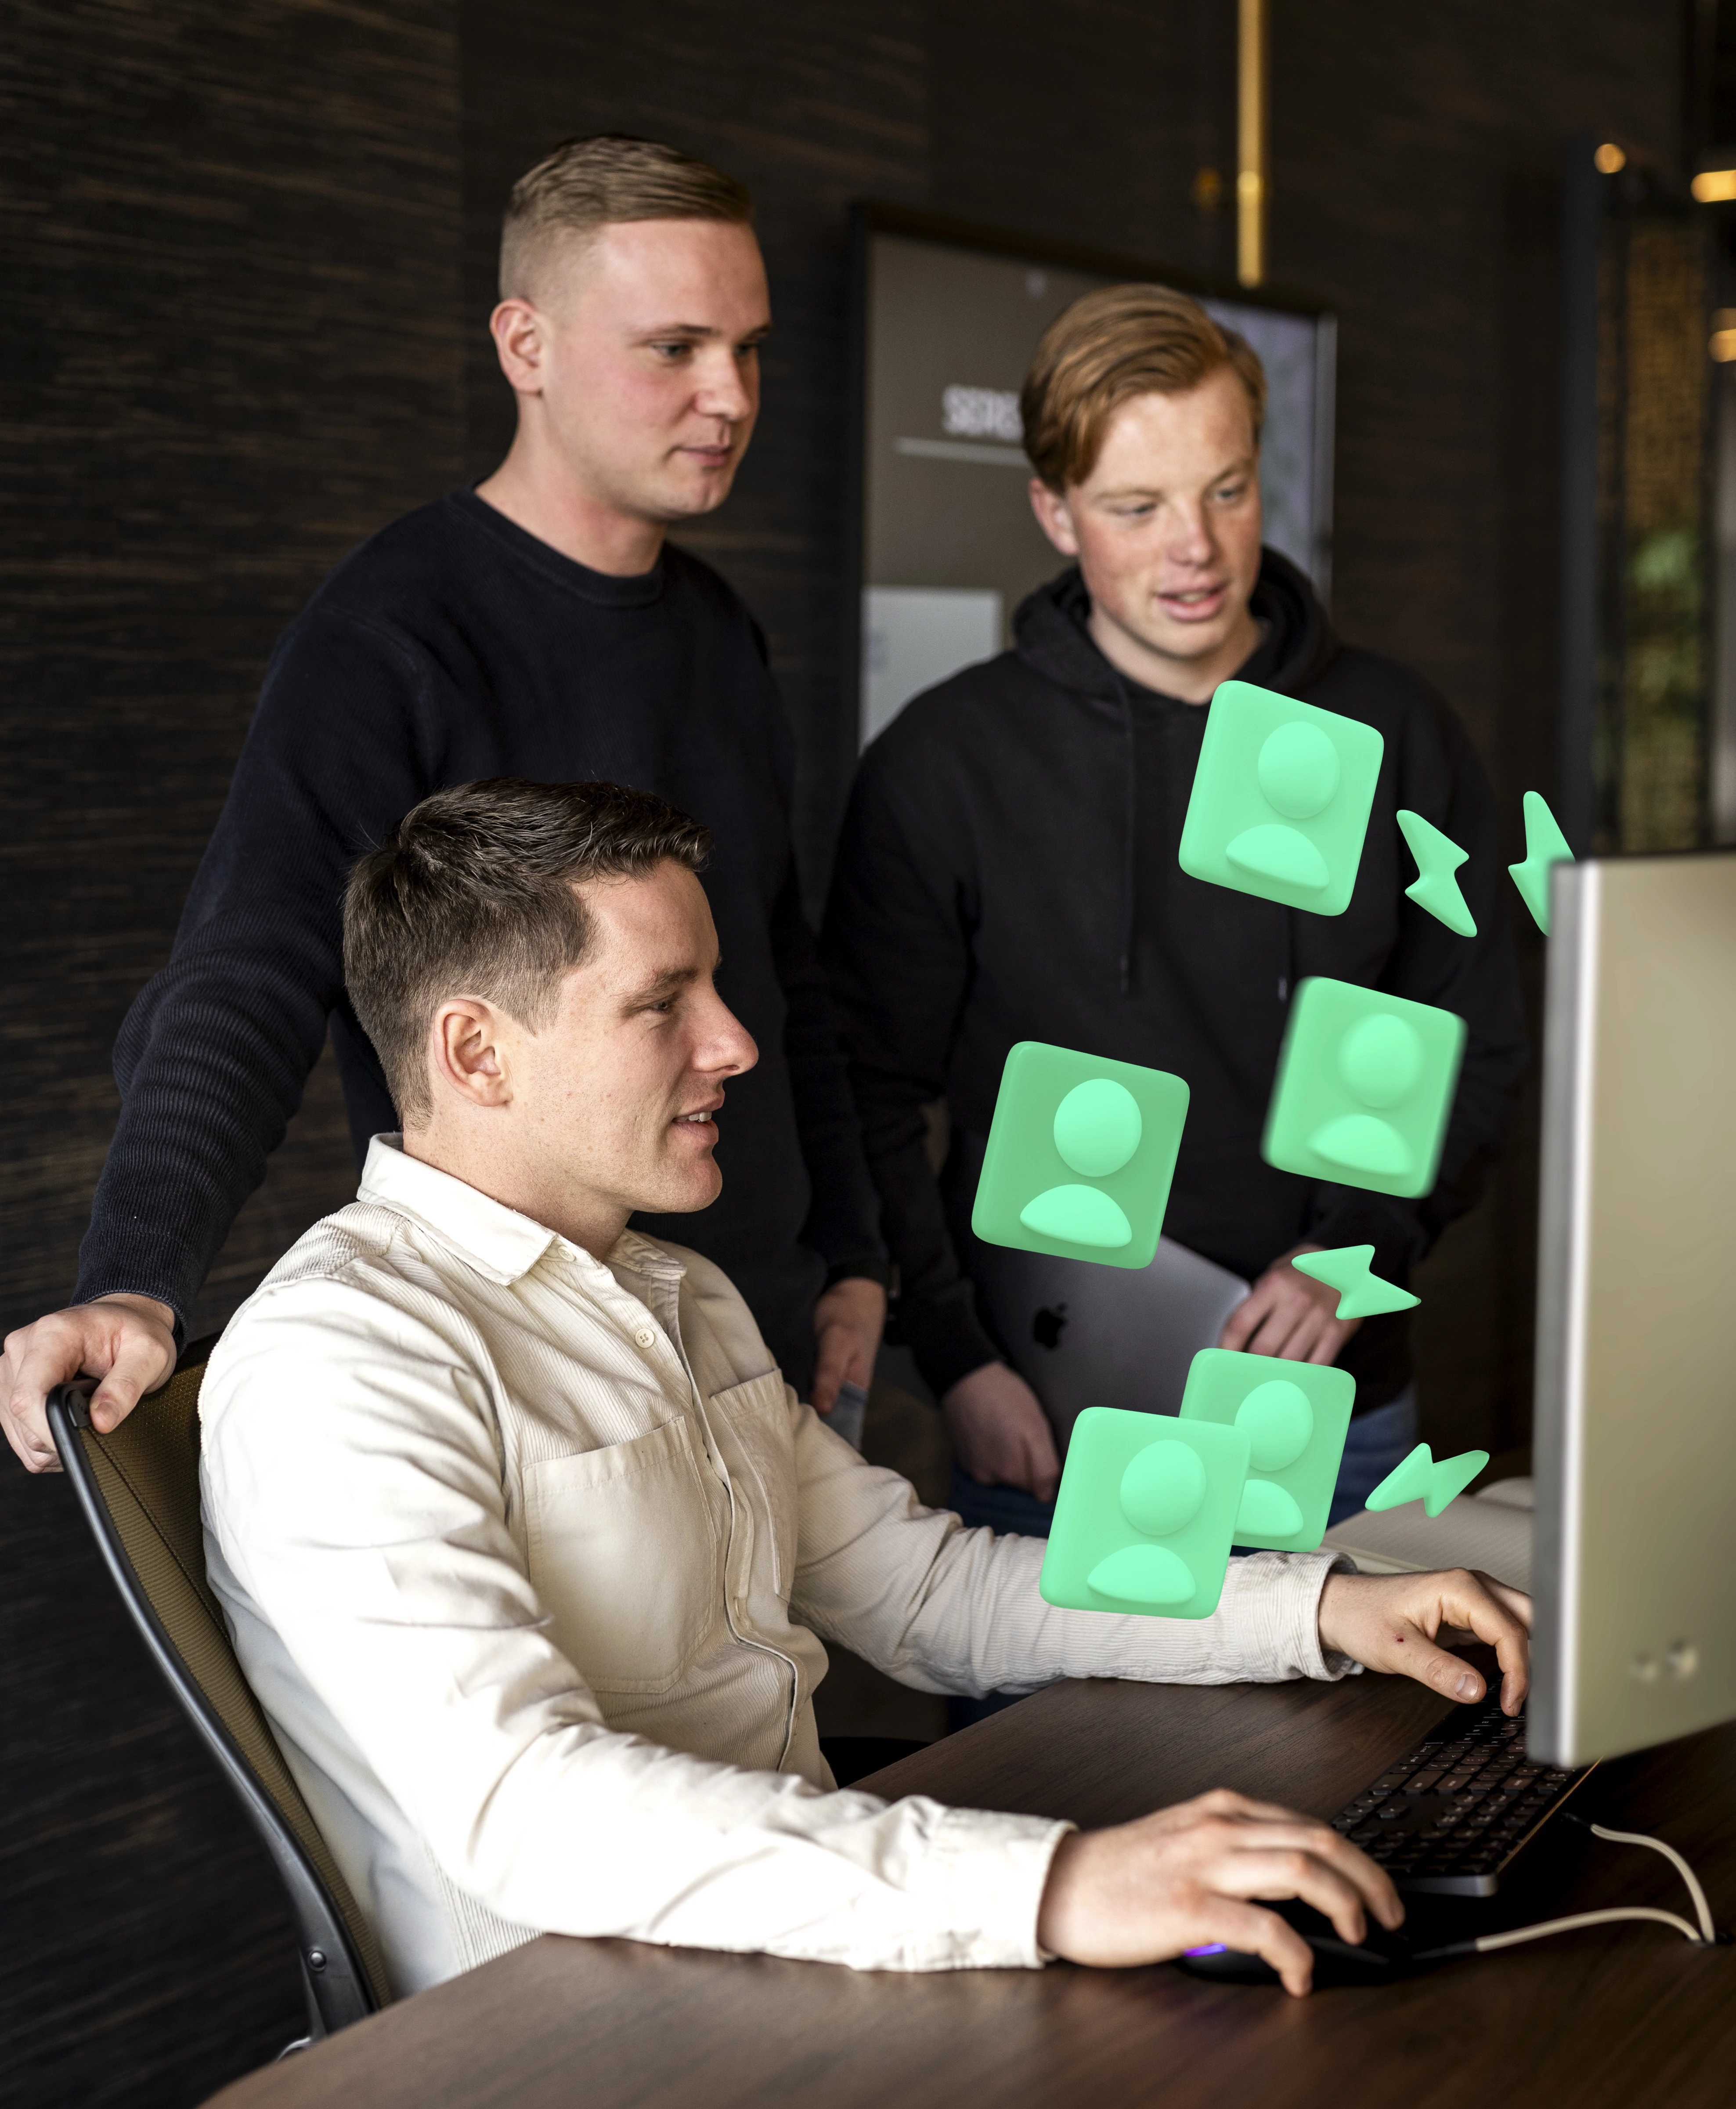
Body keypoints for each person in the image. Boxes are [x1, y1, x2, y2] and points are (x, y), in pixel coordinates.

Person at [198, 774, 1531, 1999]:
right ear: (478, 1055)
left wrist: (1320, 1607)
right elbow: (528, 1811)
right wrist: (1056, 1884)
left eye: (716, 989)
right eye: (664, 1003)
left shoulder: (682, 1294)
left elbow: (928, 1589)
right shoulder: (343, 1363)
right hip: (576, 2022)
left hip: (791, 1945)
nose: (734, 1044)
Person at [2, 135, 888, 1473]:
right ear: (525, 344)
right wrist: (139, 1276)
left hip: (759, 1329)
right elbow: (247, 971)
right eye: (676, 348)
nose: (730, 395)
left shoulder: (720, 629)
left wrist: (855, 1255)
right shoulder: (388, 633)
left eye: (749, 349)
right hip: (534, 1380)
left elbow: (779, 967)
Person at [822, 285, 1528, 1529]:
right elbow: (871, 1088)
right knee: (1063, 1739)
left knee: (1377, 1731)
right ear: (1054, 512)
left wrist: (1358, 1251)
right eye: (1135, 509)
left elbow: (1467, 1031)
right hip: (1060, 1427)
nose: (1193, 549)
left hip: (1337, 1415)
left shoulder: (1392, 729)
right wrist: (958, 1361)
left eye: (1227, 490)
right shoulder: (949, 763)